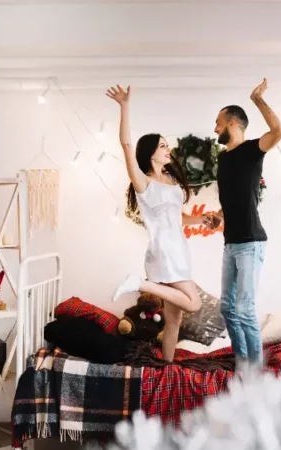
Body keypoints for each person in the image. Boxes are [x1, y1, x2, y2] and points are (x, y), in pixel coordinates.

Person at [105, 84, 205, 363]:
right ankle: (139, 283)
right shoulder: (144, 182)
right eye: (162, 145)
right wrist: (124, 106)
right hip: (166, 251)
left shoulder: (170, 182)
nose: (167, 148)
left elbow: (179, 218)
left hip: (178, 249)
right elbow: (125, 145)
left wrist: (202, 218)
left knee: (174, 319)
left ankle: (166, 368)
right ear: (150, 153)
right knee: (194, 302)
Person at [203, 78, 281, 374]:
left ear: (233, 123)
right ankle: (242, 361)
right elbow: (234, 199)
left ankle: (255, 371)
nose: (215, 129)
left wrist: (258, 100)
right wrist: (219, 217)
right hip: (230, 243)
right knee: (227, 308)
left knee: (245, 309)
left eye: (218, 123)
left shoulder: (253, 150)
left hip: (251, 242)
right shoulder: (223, 160)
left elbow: (279, 131)